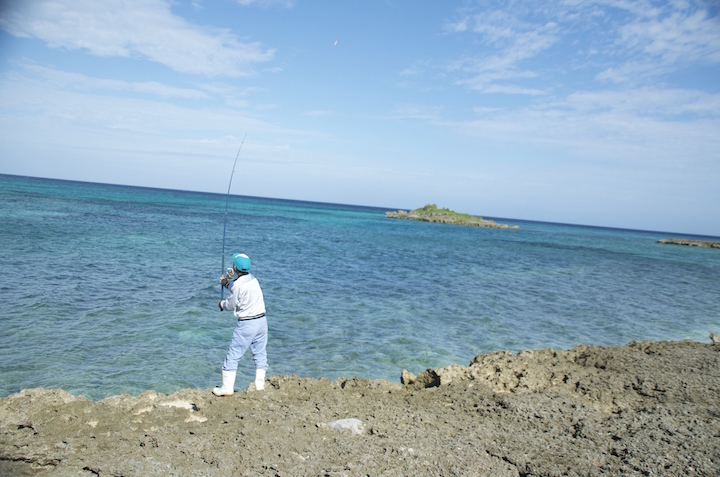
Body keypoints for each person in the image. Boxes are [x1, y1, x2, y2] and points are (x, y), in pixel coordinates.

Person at [213, 252, 268, 396]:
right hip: (262, 321)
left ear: (236, 268)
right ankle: (259, 385)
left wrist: (221, 304)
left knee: (233, 354)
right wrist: (226, 283)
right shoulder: (253, 279)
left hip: (247, 324)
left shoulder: (238, 286)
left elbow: (231, 304)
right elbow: (238, 288)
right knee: (260, 353)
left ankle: (227, 388)